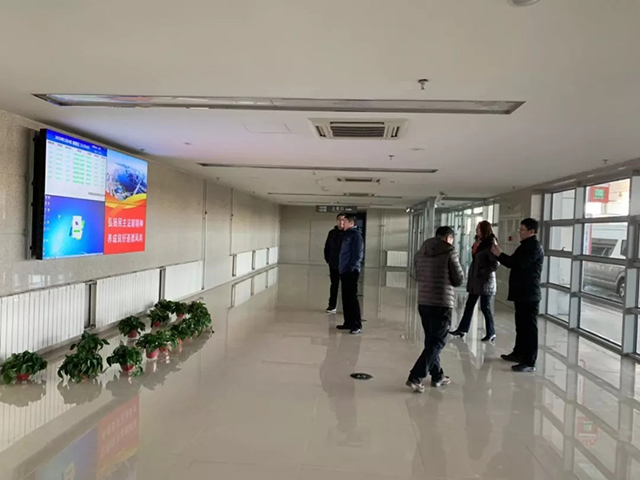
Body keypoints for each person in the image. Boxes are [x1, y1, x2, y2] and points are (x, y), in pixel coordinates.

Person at [407, 226, 464, 392]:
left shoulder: (421, 252)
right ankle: (416, 376)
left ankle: (437, 375)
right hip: (442, 302)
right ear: (448, 238)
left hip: (424, 301)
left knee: (431, 340)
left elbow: (417, 275)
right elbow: (459, 280)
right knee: (438, 342)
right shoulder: (450, 252)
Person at [491, 218, 544, 373]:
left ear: (531, 231)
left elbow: (518, 264)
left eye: (522, 230)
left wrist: (500, 254)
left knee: (529, 329)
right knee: (520, 326)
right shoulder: (524, 246)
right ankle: (519, 353)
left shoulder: (534, 247)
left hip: (529, 294)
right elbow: (512, 262)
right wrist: (499, 255)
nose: (519, 232)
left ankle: (529, 361)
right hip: (522, 293)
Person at [450, 221, 499, 341]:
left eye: (479, 228)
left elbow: (495, 264)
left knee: (485, 307)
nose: (476, 230)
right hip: (476, 280)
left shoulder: (491, 243)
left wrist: (482, 271)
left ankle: (491, 332)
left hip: (486, 281)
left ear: (484, 230)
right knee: (469, 304)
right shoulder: (478, 242)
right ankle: (462, 329)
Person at [336, 214, 364, 335]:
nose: (343, 223)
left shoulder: (356, 236)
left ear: (351, 223)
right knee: (345, 298)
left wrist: (351, 267)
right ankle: (348, 322)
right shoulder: (345, 235)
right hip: (344, 270)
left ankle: (357, 324)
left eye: (345, 221)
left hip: (351, 271)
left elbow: (357, 254)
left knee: (352, 298)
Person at [324, 214, 345, 314]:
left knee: (346, 287)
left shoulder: (349, 233)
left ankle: (346, 307)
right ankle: (332, 305)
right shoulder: (332, 233)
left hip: (346, 265)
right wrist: (328, 259)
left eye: (343, 220)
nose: (341, 222)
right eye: (339, 220)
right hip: (334, 264)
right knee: (334, 285)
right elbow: (327, 246)